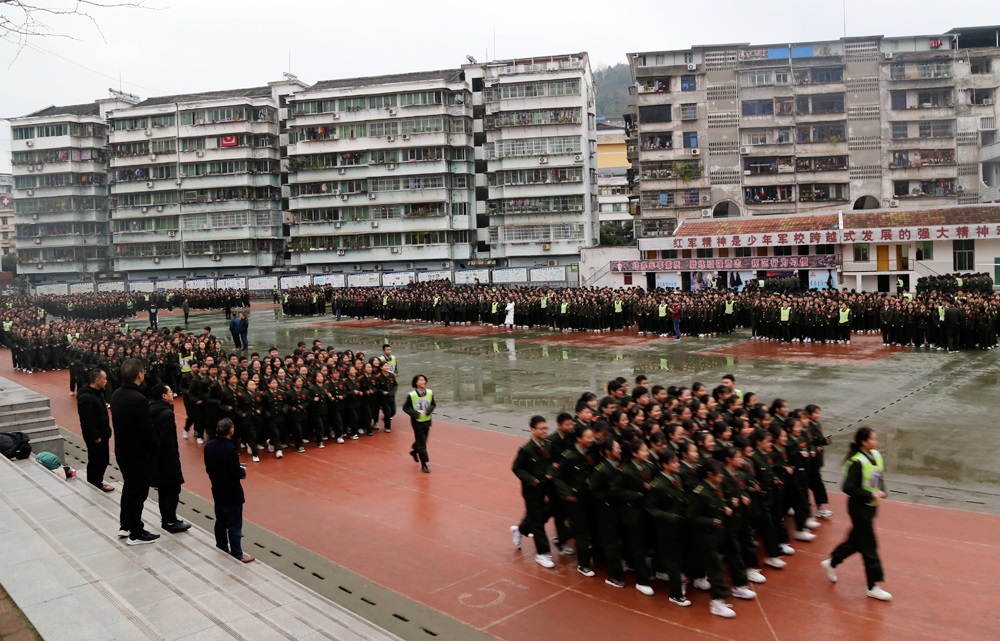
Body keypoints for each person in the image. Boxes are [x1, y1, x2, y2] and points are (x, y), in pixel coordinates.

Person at [822, 427, 892, 601]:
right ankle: (872, 585)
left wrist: (881, 491)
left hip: (870, 507)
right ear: (864, 442)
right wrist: (869, 495)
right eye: (873, 439)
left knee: (856, 541)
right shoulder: (857, 462)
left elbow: (878, 477)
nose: (876, 442)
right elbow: (848, 487)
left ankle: (832, 562)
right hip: (859, 509)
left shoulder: (875, 456)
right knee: (869, 546)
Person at [110, 358, 160, 545]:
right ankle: (136, 532)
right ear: (139, 374)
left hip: (123, 450)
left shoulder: (116, 394)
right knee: (138, 492)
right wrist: (155, 449)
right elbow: (146, 430)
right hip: (138, 453)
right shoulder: (138, 399)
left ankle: (126, 525)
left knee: (129, 489)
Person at [204, 418, 254, 563]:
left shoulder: (209, 446)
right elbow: (234, 472)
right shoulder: (230, 448)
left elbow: (208, 467)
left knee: (220, 520)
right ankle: (238, 553)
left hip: (217, 488)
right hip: (231, 491)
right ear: (231, 431)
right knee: (234, 524)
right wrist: (242, 471)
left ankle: (221, 545)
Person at [510, 415, 556, 569]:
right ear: (532, 430)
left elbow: (550, 462)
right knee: (537, 522)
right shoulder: (526, 449)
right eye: (541, 429)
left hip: (546, 487)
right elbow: (516, 468)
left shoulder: (548, 444)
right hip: (532, 490)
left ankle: (522, 528)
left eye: (546, 428)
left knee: (551, 509)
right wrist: (530, 479)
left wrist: (550, 471)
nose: (544, 431)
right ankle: (542, 554)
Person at [149, 383, 192, 534]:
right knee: (173, 489)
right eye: (169, 392)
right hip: (167, 460)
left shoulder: (151, 410)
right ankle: (170, 521)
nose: (172, 394)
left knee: (163, 490)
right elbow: (167, 441)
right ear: (163, 396)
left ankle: (167, 518)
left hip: (156, 459)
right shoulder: (167, 414)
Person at [77, 368, 114, 493]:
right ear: (97, 380)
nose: (106, 381)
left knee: (104, 460)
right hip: (95, 436)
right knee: (96, 461)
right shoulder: (86, 397)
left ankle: (96, 481)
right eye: (104, 379)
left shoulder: (98, 393)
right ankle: (95, 483)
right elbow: (86, 421)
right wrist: (95, 436)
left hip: (103, 433)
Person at [402, 374, 434, 473]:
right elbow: (405, 407)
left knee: (423, 441)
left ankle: (414, 451)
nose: (422, 382)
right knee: (421, 443)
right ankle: (424, 464)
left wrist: (429, 410)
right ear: (416, 383)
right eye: (420, 380)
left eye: (424, 380)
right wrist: (416, 414)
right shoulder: (412, 395)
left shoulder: (429, 392)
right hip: (417, 421)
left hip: (427, 420)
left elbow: (433, 404)